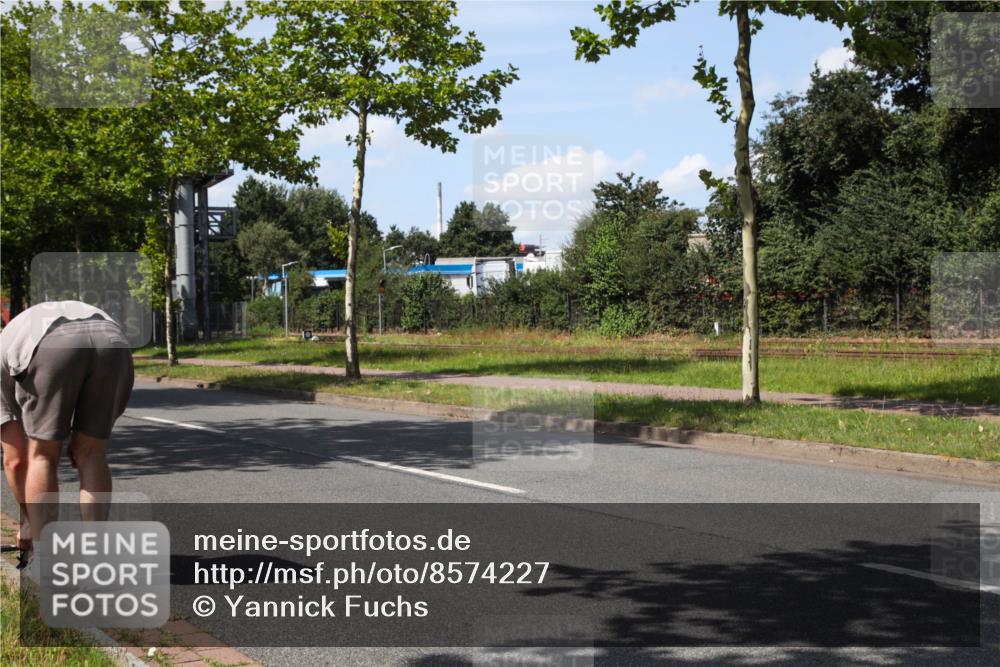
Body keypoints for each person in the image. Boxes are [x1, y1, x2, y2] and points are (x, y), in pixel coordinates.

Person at [0, 301, 134, 561]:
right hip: (112, 339)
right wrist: (82, 443)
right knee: (92, 454)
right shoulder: (15, 330)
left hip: (50, 344)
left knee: (43, 456)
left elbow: (16, 462)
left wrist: (29, 523)